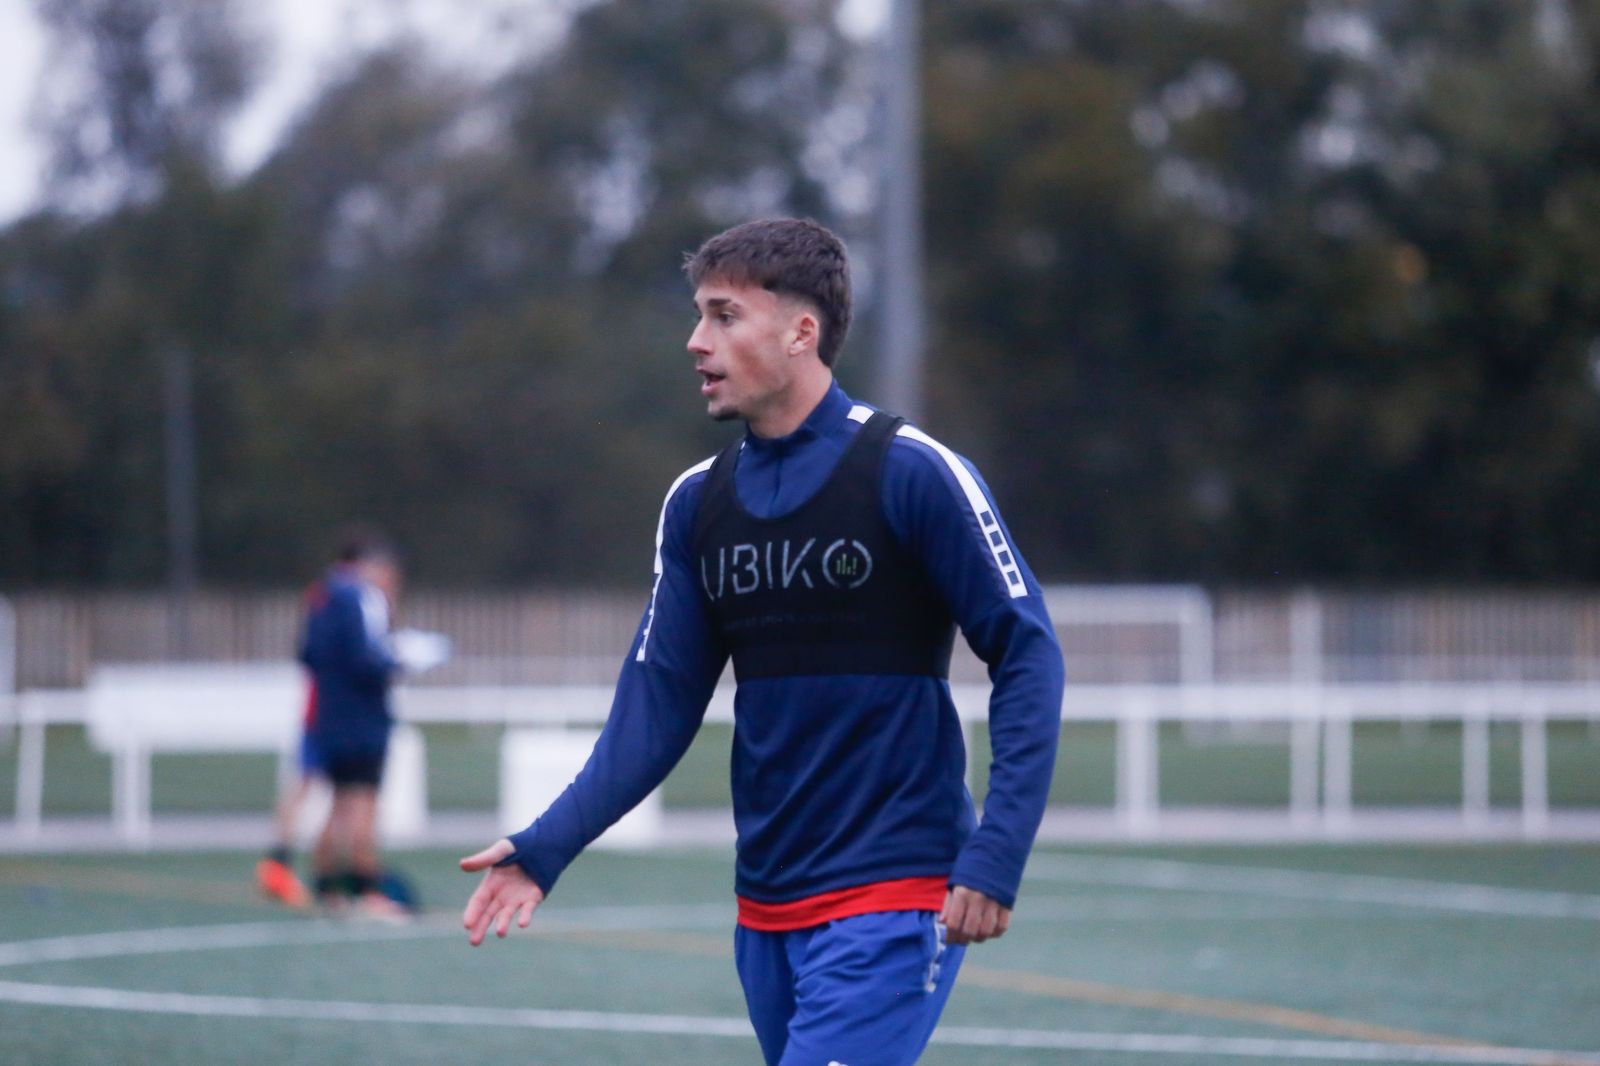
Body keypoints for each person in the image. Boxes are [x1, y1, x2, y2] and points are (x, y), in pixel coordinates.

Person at [461, 218, 1065, 1065]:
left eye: (722, 316)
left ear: (800, 331)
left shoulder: (914, 472)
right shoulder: (697, 505)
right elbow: (658, 704)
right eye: (699, 316)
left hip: (897, 890)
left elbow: (1028, 653)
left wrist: (994, 854)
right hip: (766, 907)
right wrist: (548, 843)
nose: (695, 341)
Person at [298, 530, 409, 917]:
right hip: (362, 721)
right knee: (363, 804)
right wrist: (398, 662)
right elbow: (368, 660)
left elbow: (307, 653)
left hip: (330, 717)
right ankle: (367, 890)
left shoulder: (323, 595)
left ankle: (326, 886)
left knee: (338, 803)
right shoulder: (360, 599)